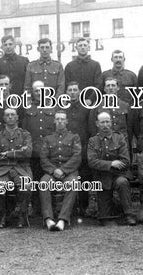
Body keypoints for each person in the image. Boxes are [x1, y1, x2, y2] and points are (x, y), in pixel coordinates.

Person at [88, 112, 136, 226]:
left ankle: (128, 214)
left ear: (111, 123)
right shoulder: (93, 141)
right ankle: (111, 211)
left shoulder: (119, 138)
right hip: (102, 177)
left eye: (107, 122)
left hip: (119, 175)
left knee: (122, 182)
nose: (105, 125)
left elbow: (126, 161)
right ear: (97, 124)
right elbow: (92, 161)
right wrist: (111, 163)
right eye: (102, 122)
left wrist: (108, 166)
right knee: (104, 218)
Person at [39, 111, 81, 231]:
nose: (60, 121)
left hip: (69, 172)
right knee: (43, 184)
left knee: (73, 184)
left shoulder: (74, 137)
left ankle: (63, 219)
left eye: (62, 119)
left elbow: (77, 157)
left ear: (66, 121)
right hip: (51, 171)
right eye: (57, 119)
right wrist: (53, 170)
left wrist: (63, 170)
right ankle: (48, 219)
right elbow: (43, 158)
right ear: (54, 121)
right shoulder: (48, 138)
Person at [0, 108, 32, 228]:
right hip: (3, 170)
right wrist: (18, 153)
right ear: (3, 118)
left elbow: (28, 153)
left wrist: (7, 154)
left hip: (22, 169)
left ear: (17, 117)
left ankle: (22, 213)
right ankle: (2, 214)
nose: (10, 117)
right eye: (7, 115)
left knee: (26, 186)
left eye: (12, 115)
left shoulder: (25, 134)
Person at [64, 81, 92, 215]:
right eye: (70, 90)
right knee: (70, 176)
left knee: (84, 177)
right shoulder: (62, 108)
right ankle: (71, 207)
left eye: (75, 89)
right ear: (66, 92)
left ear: (79, 92)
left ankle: (83, 207)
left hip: (83, 147)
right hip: (67, 149)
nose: (73, 92)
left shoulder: (86, 107)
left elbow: (91, 127)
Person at [64, 37, 102, 104]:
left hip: (91, 103)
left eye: (85, 45)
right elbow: (66, 85)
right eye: (80, 45)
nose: (82, 47)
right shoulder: (69, 66)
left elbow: (98, 85)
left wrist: (90, 99)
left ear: (88, 48)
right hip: (74, 103)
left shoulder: (95, 65)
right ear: (76, 48)